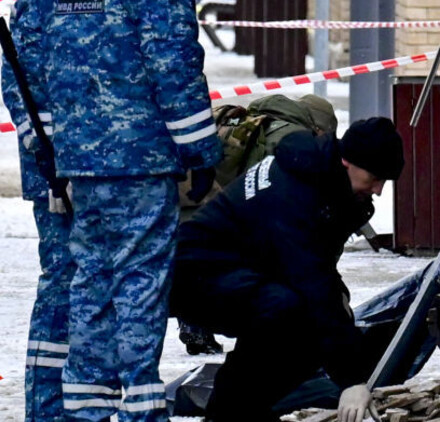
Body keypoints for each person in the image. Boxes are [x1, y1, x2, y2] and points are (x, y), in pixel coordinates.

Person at [9, 0, 222, 421]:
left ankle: (83, 407)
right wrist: (201, 152)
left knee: (89, 283)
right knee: (141, 282)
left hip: (78, 167)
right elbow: (175, 73)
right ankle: (142, 406)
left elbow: (32, 83)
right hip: (141, 163)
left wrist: (49, 158)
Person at [171, 117, 405, 422]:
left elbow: (317, 272)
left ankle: (239, 410)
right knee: (291, 314)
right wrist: (351, 380)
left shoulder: (323, 177)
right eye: (374, 178)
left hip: (239, 271)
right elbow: (312, 283)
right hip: (194, 275)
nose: (378, 190)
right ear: (348, 161)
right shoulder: (296, 191)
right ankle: (230, 413)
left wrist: (341, 304)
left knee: (308, 320)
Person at [1, 0, 109, 421]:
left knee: (75, 283)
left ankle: (66, 402)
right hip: (63, 175)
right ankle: (50, 406)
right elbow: (24, 90)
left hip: (78, 167)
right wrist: (55, 163)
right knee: (66, 283)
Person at [175, 93, 338, 355]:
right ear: (320, 127)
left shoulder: (256, 119)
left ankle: (196, 324)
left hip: (196, 194)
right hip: (214, 203)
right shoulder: (292, 138)